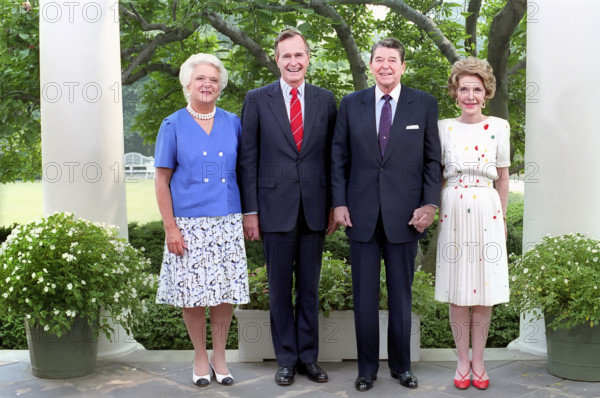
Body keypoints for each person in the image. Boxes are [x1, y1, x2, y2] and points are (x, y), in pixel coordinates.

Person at [331, 38, 442, 392]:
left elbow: (432, 161)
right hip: (360, 215)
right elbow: (338, 159)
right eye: (379, 60)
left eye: (392, 60)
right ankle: (366, 370)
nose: (385, 66)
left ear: (403, 66)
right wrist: (338, 203)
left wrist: (430, 204)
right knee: (363, 298)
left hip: (406, 216)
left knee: (401, 297)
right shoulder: (350, 104)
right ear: (370, 65)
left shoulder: (423, 104)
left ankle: (401, 367)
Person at [238, 29, 338, 386]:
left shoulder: (326, 100)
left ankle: (308, 358)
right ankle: (286, 358)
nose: (293, 62)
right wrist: (250, 211)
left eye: (299, 55)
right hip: (272, 209)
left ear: (308, 58)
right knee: (279, 289)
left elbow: (333, 158)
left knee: (310, 287)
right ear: (276, 59)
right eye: (286, 56)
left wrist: (334, 205)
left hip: (314, 208)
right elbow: (247, 160)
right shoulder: (256, 99)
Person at [154, 53, 249, 388]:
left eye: (213, 79)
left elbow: (244, 173)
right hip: (188, 225)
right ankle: (199, 356)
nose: (207, 84)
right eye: (200, 79)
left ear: (220, 85)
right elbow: (161, 180)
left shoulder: (234, 122)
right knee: (193, 296)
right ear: (187, 85)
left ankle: (220, 357)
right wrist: (170, 228)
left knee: (224, 295)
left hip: (226, 221)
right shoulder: (172, 124)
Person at [434, 56, 510, 390]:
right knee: (458, 291)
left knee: (483, 292)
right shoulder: (442, 127)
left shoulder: (499, 127)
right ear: (455, 92)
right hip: (453, 208)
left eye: (476, 89)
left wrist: (503, 219)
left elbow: (504, 177)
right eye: (464, 88)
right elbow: (435, 177)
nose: (470, 95)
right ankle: (461, 362)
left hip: (487, 209)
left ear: (486, 91)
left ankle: (479, 361)